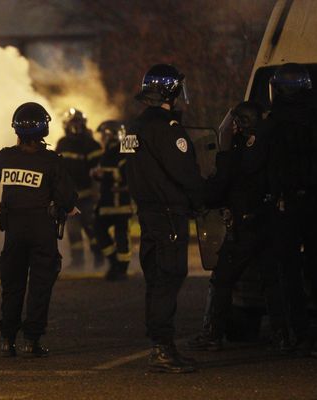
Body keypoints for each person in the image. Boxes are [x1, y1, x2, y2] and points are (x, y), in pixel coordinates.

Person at [187, 101, 292, 352]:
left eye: (235, 120)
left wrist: (205, 194)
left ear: (242, 123)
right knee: (272, 281)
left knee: (222, 280)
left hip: (243, 226)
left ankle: (212, 334)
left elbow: (220, 185)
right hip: (268, 222)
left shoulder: (236, 152)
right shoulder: (273, 145)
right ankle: (283, 336)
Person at [122, 64, 204, 373]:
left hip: (147, 212)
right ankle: (162, 348)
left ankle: (160, 344)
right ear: (170, 90)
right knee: (169, 277)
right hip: (169, 213)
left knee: (157, 278)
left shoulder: (134, 127)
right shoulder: (166, 127)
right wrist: (202, 199)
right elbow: (184, 172)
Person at [0, 102, 79, 358]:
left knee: (12, 286)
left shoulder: (4, 158)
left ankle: (7, 339)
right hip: (42, 231)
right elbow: (68, 196)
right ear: (44, 129)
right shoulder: (51, 161)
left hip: (13, 232)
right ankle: (32, 340)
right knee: (39, 287)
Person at [262, 63, 317, 357]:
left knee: (287, 272)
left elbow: (266, 168)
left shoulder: (272, 122)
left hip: (285, 205)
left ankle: (297, 333)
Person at [55, 108, 104, 269]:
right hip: (69, 197)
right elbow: (57, 169)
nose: (75, 127)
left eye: (78, 123)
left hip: (88, 196)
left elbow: (99, 171)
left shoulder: (91, 144)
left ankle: (99, 258)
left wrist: (98, 194)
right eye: (72, 123)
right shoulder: (62, 144)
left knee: (92, 229)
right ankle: (78, 261)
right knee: (73, 231)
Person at [92, 120, 134, 281]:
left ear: (111, 134)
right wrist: (97, 174)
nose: (102, 137)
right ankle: (114, 262)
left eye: (104, 134)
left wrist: (104, 175)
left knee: (121, 235)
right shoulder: (108, 152)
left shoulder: (124, 151)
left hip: (121, 203)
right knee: (99, 230)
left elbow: (126, 174)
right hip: (107, 202)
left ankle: (121, 268)